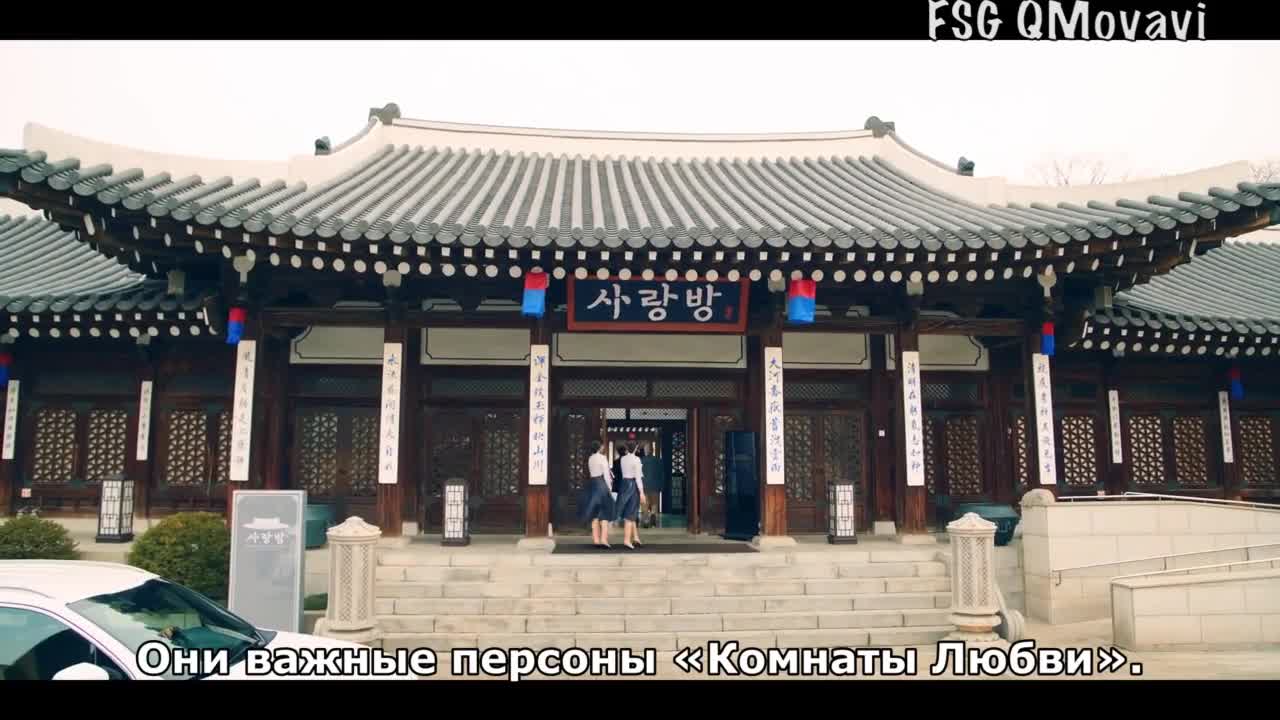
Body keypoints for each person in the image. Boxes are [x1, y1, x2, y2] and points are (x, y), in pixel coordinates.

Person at [578, 440, 616, 548]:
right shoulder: (602, 458)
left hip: (592, 484)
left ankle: (596, 539)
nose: (603, 447)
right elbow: (606, 475)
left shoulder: (590, 458)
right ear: (599, 447)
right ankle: (604, 539)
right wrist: (609, 488)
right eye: (602, 446)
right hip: (601, 484)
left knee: (594, 513)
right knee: (605, 512)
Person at [616, 442, 644, 549]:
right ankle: (627, 540)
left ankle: (636, 537)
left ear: (627, 448)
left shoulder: (623, 459)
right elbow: (638, 478)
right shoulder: (637, 459)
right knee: (630, 513)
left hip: (624, 484)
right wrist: (642, 492)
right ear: (636, 448)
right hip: (632, 485)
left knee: (630, 512)